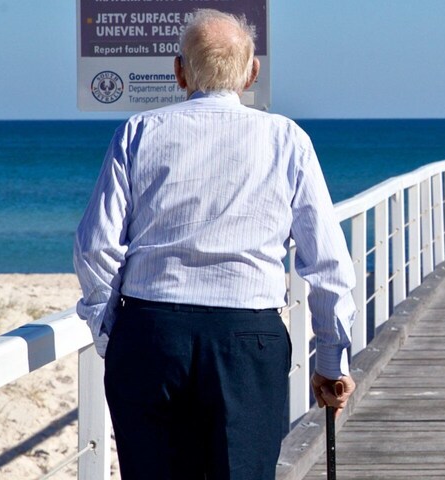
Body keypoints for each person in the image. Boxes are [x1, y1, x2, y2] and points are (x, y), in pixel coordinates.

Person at [74, 9, 356, 479]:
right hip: (248, 339)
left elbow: (95, 246)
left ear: (179, 71)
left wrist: (110, 331)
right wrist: (330, 360)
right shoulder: (287, 139)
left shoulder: (139, 132)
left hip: (151, 331)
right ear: (252, 72)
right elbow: (326, 263)